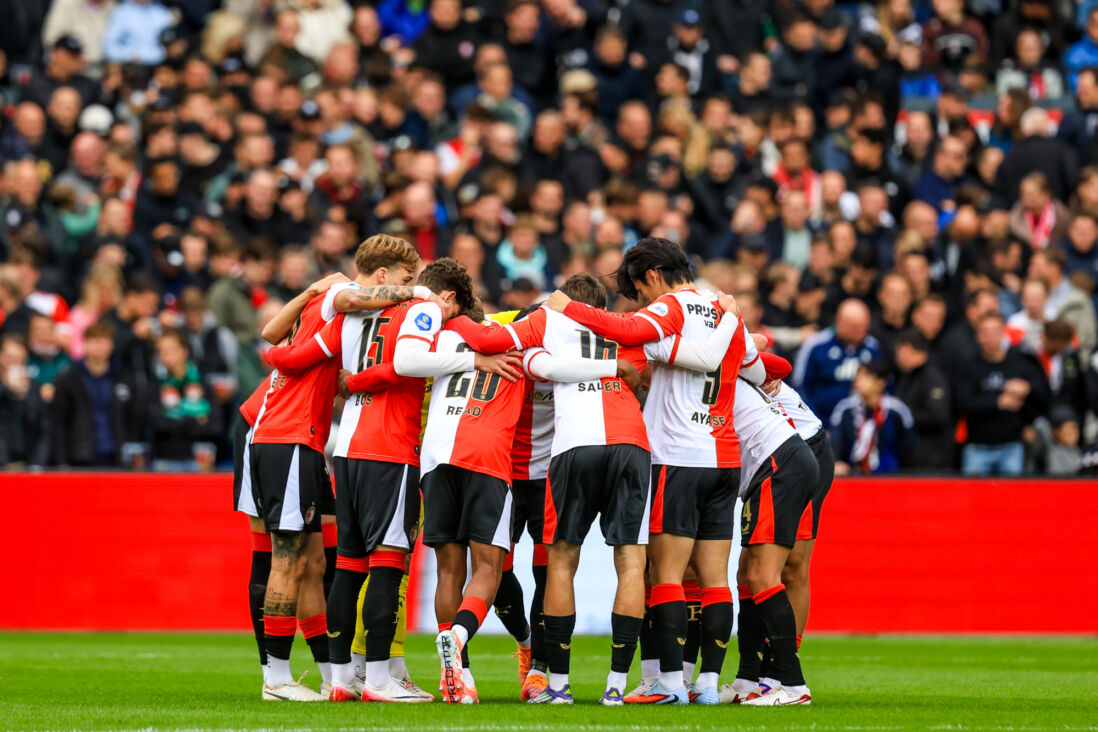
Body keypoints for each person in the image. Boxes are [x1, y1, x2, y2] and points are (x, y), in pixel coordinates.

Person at [262, 254, 518, 703]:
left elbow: (284, 352)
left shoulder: (353, 315)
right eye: (407, 277)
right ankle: (379, 680)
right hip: (391, 449)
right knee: (387, 566)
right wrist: (472, 358)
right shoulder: (422, 309)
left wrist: (351, 379)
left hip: (347, 448)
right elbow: (408, 359)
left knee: (348, 568)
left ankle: (340, 679)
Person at [537, 238, 763, 705]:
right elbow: (759, 372)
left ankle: (668, 683)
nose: (641, 302)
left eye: (639, 291)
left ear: (653, 276)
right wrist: (730, 325)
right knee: (715, 579)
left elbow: (628, 328)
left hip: (678, 455)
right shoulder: (724, 311)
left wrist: (566, 307)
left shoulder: (670, 309)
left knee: (664, 575)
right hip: (725, 455)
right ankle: (706, 685)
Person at [450, 272, 653, 706]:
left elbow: (495, 342)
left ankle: (546, 674)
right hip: (516, 469)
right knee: (507, 572)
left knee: (551, 567)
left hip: (556, 467)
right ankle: (597, 675)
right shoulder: (626, 329)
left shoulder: (544, 326)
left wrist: (447, 313)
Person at [244, 238, 428, 702]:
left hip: (298, 438)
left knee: (316, 563)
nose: (409, 286)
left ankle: (332, 676)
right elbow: (333, 310)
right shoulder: (342, 297)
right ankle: (275, 678)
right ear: (382, 276)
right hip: (285, 436)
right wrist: (417, 295)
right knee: (286, 559)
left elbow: (273, 338)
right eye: (404, 278)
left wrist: (297, 325)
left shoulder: (331, 306)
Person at [956, 312, 1049, 475]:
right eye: (985, 333)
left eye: (995, 331)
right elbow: (962, 403)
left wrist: (1027, 388)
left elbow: (1044, 394)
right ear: (978, 336)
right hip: (977, 446)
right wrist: (998, 402)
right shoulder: (969, 366)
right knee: (973, 491)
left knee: (1013, 491)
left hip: (1012, 446)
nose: (991, 338)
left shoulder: (1020, 362)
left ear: (1003, 333)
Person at [50, 320, 141, 467]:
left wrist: (133, 455)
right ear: (84, 344)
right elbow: (58, 422)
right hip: (79, 457)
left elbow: (132, 420)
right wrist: (61, 461)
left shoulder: (123, 378)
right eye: (93, 340)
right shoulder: (69, 378)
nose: (98, 345)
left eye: (103, 340)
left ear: (112, 345)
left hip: (116, 457)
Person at [792, 298, 882, 420]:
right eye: (855, 327)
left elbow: (883, 384)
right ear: (840, 322)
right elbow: (800, 385)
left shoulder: (873, 347)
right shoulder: (816, 345)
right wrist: (814, 422)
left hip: (861, 422)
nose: (860, 331)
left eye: (863, 326)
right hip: (820, 420)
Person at [830, 361, 916, 475]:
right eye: (857, 376)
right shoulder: (845, 409)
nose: (858, 381)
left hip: (891, 476)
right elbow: (835, 441)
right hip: (853, 475)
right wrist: (836, 462)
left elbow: (909, 447)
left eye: (866, 376)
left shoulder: (897, 410)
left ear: (881, 382)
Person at [893, 330, 953, 471]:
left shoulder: (932, 377)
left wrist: (902, 413)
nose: (897, 357)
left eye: (899, 351)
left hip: (931, 457)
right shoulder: (908, 376)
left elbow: (937, 416)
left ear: (908, 348)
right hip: (913, 455)